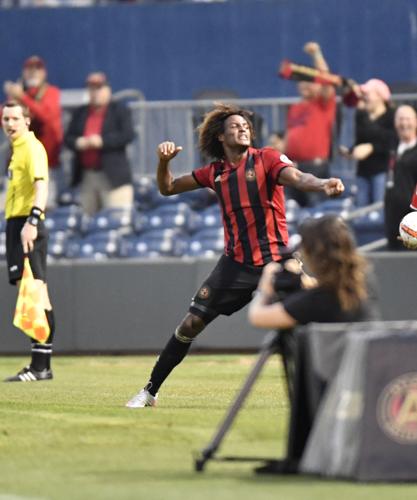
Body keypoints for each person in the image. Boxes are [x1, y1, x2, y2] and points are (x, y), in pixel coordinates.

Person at [125, 103, 344, 408]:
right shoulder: (215, 173)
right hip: (236, 263)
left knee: (308, 321)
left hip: (277, 260)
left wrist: (322, 184)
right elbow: (168, 188)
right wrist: (163, 162)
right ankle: (149, 391)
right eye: (234, 126)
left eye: (245, 126)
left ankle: (331, 391)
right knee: (190, 324)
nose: (242, 129)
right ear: (220, 137)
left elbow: (297, 177)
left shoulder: (266, 158)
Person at [248, 214, 379, 330]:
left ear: (315, 257)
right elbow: (334, 287)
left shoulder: (314, 302)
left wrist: (265, 287)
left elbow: (257, 316)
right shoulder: (363, 285)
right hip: (364, 358)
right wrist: (306, 282)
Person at [2, 100, 56, 382]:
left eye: (14, 118)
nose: (9, 124)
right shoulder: (17, 150)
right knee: (31, 293)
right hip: (16, 222)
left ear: (27, 121)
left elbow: (41, 185)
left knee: (37, 292)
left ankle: (40, 366)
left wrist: (32, 222)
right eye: (5, 119)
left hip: (27, 223)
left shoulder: (32, 148)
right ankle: (39, 364)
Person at [64, 72, 135, 216]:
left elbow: (128, 135)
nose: (95, 92)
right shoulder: (81, 112)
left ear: (108, 89)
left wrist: (102, 141)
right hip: (87, 176)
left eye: (99, 88)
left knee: (117, 220)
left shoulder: (119, 110)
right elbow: (68, 138)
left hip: (113, 177)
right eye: (92, 89)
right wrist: (78, 142)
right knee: (87, 221)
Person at [3, 55, 63, 207]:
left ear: (44, 73)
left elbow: (46, 116)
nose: (33, 73)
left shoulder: (51, 93)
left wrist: (22, 97)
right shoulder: (18, 96)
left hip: (45, 165)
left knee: (43, 210)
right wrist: (12, 100)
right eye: (29, 69)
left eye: (37, 69)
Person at [283, 41, 336, 207]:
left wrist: (316, 54)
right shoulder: (295, 107)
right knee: (292, 210)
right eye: (301, 80)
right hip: (294, 167)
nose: (304, 83)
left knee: (317, 211)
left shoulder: (323, 104)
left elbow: (327, 79)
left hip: (316, 168)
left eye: (309, 80)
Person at [339, 78, 396, 207]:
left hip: (382, 171)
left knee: (379, 207)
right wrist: (351, 151)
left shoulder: (391, 115)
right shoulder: (361, 115)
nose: (364, 98)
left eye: (368, 94)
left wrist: (371, 148)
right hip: (362, 171)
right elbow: (359, 139)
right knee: (361, 209)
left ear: (380, 96)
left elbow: (390, 141)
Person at [384, 105, 417, 250]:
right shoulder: (392, 146)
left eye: (408, 119)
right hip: (393, 217)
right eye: (400, 119)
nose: (404, 123)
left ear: (415, 122)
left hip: (412, 221)